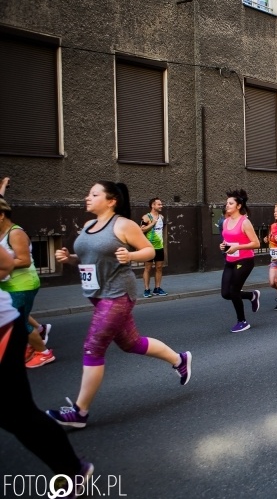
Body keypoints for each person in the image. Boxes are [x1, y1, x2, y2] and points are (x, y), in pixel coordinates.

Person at [47, 181, 191, 428]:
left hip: (117, 294)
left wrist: (131, 256)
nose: (87, 197)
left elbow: (148, 250)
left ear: (111, 200)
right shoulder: (89, 225)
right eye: (88, 193)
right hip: (97, 293)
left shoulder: (123, 225)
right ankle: (180, 360)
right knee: (130, 343)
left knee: (93, 346)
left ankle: (79, 413)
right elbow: (87, 258)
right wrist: (68, 259)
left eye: (94, 194)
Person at [0, 247, 94, 490]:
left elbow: (6, 263)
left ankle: (73, 468)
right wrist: (72, 258)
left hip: (2, 329)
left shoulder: (16, 233)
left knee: (16, 414)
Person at [0, 200, 54, 368]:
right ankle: (34, 337)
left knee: (17, 323)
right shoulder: (2, 233)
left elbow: (24, 260)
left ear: (1, 216)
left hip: (23, 285)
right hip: (8, 285)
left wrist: (4, 263)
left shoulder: (15, 233)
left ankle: (44, 353)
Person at [219, 189, 261, 332]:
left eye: (230, 203)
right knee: (225, 293)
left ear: (238, 206)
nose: (227, 205)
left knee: (234, 290)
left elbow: (256, 243)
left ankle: (242, 321)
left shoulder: (245, 222)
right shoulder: (225, 222)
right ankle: (251, 295)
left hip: (245, 260)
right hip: (230, 260)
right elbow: (227, 239)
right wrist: (223, 245)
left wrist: (238, 247)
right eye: (227, 203)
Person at [141, 197, 167, 297]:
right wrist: (152, 223)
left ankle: (157, 288)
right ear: (153, 205)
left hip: (159, 247)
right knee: (148, 268)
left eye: (161, 204)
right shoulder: (146, 217)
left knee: (159, 268)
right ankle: (147, 289)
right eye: (159, 204)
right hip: (149, 247)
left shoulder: (162, 217)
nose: (161, 206)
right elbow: (141, 230)